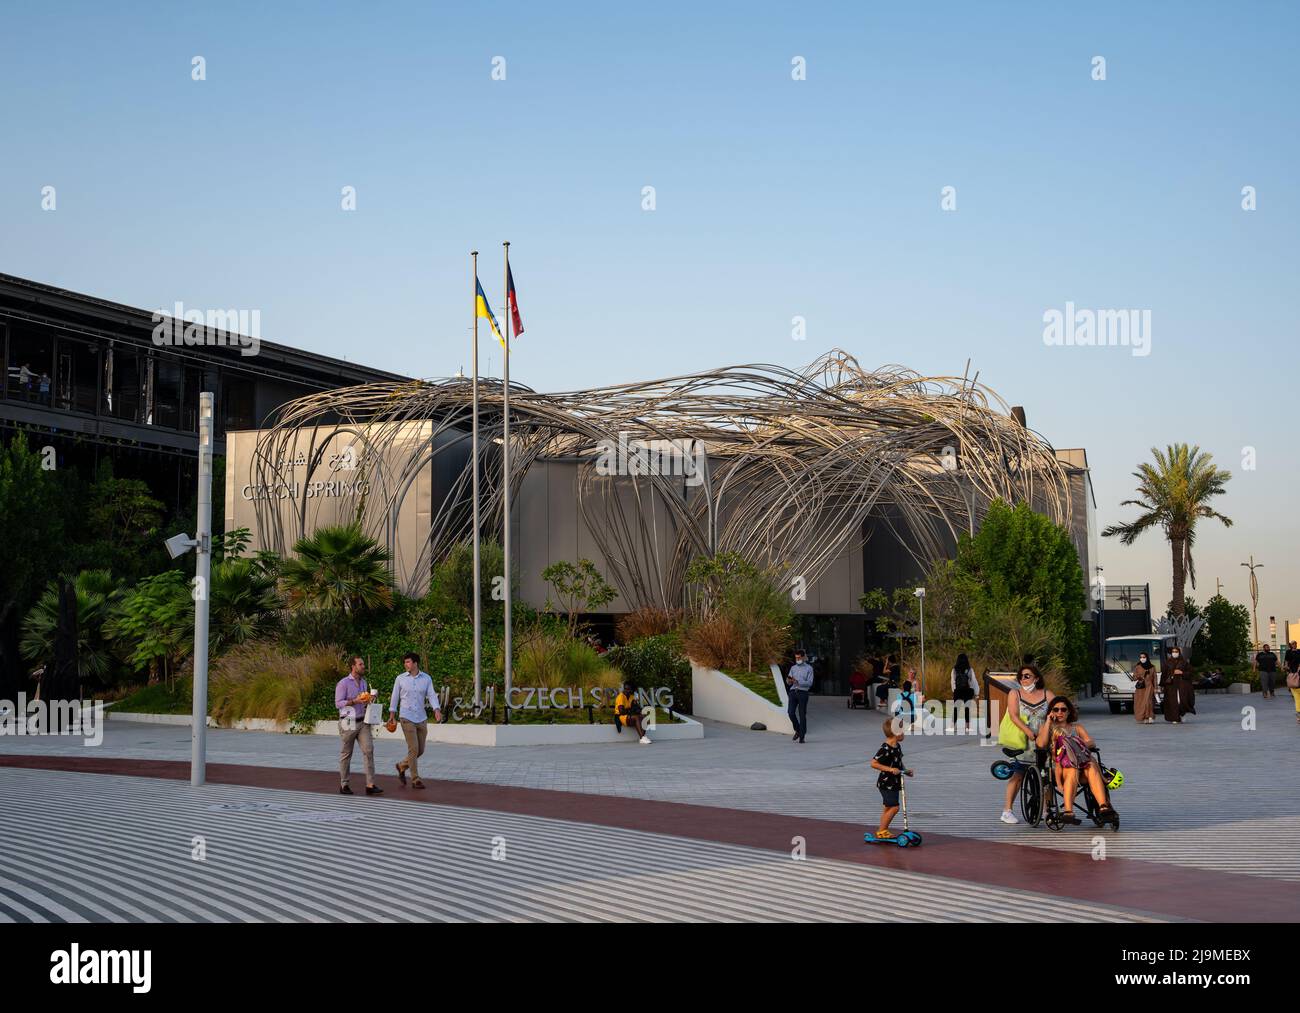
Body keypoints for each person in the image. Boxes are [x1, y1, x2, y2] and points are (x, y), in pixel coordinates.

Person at [1035, 696, 1116, 826]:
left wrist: (1076, 744)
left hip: (1082, 767)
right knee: (1072, 768)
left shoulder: (1076, 727)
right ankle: (1068, 811)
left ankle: (1103, 807)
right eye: (1056, 710)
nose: (1060, 712)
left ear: (1069, 712)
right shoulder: (1047, 728)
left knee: (1091, 765)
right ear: (1051, 712)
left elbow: (1091, 742)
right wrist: (1049, 723)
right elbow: (1040, 744)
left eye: (1063, 709)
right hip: (1058, 768)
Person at [999, 665, 1049, 825]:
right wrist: (1028, 731)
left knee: (1047, 775)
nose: (1023, 679)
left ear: (1037, 678)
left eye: (1027, 676)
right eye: (1021, 676)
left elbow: (1059, 706)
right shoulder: (1015, 693)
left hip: (1043, 740)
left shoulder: (1046, 694)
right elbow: (1014, 715)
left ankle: (1047, 809)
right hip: (1023, 739)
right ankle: (1007, 811)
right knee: (1019, 774)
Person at [389, 652, 441, 789]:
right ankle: (415, 779)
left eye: (408, 662)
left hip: (421, 717)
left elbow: (431, 694)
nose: (406, 664)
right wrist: (392, 715)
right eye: (405, 662)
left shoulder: (426, 679)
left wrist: (436, 709)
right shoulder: (400, 679)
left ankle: (401, 766)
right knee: (413, 748)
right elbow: (395, 697)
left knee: (421, 750)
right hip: (406, 716)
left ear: (415, 663)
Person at [334, 656, 382, 796]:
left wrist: (370, 699)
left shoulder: (364, 683)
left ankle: (370, 784)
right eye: (360, 664)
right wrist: (354, 701)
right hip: (347, 721)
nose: (363, 666)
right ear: (353, 667)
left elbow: (365, 702)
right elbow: (338, 703)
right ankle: (344, 784)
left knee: (369, 750)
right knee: (346, 753)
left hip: (363, 721)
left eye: (363, 664)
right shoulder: (343, 683)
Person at [869, 717, 914, 840]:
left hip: (894, 782)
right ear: (896, 733)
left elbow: (898, 762)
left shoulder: (897, 746)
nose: (904, 734)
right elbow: (873, 763)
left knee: (888, 807)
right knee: (894, 807)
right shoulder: (885, 748)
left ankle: (881, 830)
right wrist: (890, 769)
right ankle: (882, 830)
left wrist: (905, 770)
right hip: (886, 782)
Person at [785, 649, 814, 743]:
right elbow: (789, 680)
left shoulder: (809, 668)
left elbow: (809, 683)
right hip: (793, 692)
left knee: (802, 715)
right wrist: (789, 681)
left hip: (803, 693)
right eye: (796, 658)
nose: (797, 659)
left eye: (798, 658)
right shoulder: (793, 668)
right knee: (790, 713)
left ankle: (802, 737)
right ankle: (797, 730)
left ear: (803, 657)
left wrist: (798, 682)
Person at [1132, 650, 1157, 724]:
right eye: (1141, 657)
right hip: (1141, 687)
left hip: (1149, 686)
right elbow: (1134, 678)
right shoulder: (1137, 667)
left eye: (1144, 657)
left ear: (1147, 658)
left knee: (1148, 702)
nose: (1142, 658)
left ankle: (1150, 716)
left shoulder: (1152, 667)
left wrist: (1156, 688)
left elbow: (1155, 678)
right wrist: (1141, 676)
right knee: (1141, 703)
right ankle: (1144, 717)